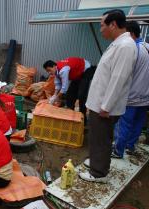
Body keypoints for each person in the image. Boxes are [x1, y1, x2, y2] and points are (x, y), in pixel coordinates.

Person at [79, 9, 137, 183]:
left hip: (105, 106)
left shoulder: (125, 46)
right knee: (97, 136)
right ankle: (97, 162)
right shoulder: (118, 43)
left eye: (102, 25)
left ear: (113, 24)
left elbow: (119, 79)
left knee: (102, 138)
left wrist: (106, 106)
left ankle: (99, 173)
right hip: (100, 103)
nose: (101, 29)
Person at [112, 21, 149, 158]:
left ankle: (118, 150)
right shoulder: (147, 47)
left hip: (131, 96)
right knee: (138, 123)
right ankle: (130, 146)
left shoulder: (133, 49)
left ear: (132, 34)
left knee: (123, 124)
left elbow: (123, 74)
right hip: (145, 96)